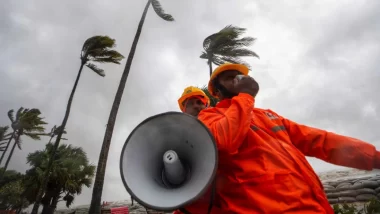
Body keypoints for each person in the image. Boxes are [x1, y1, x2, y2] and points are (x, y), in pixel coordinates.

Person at [176, 63, 380, 214]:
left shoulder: (267, 115)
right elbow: (226, 140)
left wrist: (373, 157)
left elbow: (319, 140)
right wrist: (246, 96)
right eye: (230, 78)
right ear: (217, 92)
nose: (237, 79)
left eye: (239, 75)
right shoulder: (209, 118)